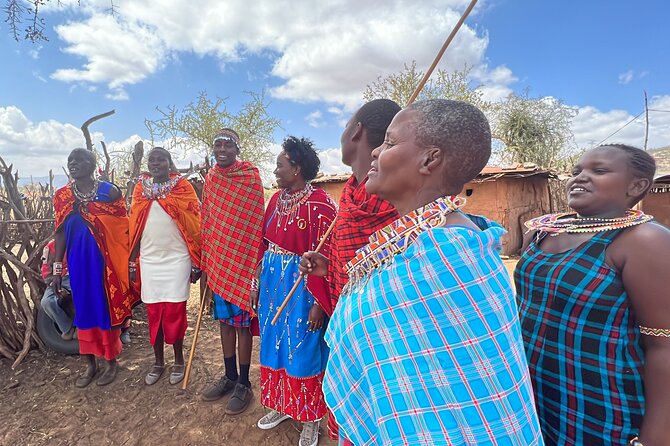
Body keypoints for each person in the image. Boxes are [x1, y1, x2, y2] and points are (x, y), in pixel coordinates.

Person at [301, 99, 543, 445]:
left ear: (430, 159)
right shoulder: (418, 241)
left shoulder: (447, 256)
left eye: (390, 142)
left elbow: (458, 398)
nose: (376, 153)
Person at [515, 144, 670, 446]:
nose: (580, 178)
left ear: (637, 185)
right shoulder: (545, 232)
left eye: (598, 171)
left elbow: (663, 345)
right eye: (576, 172)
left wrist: (658, 433)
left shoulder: (645, 241)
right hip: (534, 393)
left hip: (600, 404)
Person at [321, 98, 401, 442]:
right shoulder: (351, 194)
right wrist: (325, 266)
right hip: (347, 325)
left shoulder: (399, 198)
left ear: (356, 131)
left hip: (384, 338)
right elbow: (350, 267)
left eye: (345, 125)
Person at [252, 137, 336, 446]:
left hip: (303, 289)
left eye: (280, 165)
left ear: (297, 169)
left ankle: (311, 418)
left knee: (303, 350)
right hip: (274, 286)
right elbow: (265, 245)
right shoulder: (275, 200)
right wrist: (257, 281)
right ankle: (282, 406)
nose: (275, 171)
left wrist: (318, 305)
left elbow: (330, 256)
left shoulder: (321, 205)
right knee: (275, 345)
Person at [52, 148, 137, 388]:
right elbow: (60, 236)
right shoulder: (62, 197)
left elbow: (123, 228)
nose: (73, 164)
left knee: (105, 309)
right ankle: (90, 364)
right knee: (84, 310)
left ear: (92, 164)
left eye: (79, 160)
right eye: (70, 161)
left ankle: (111, 362)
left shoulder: (108, 192)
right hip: (78, 264)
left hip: (106, 263)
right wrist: (57, 270)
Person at [200, 128, 264, 415]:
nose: (222, 149)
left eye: (228, 145)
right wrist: (207, 261)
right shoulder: (212, 178)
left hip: (243, 263)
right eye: (218, 145)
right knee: (224, 324)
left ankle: (244, 382)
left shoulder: (250, 176)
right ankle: (228, 376)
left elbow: (255, 223)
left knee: (242, 326)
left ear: (238, 150)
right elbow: (209, 220)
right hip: (220, 262)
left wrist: (253, 266)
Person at [129, 147, 202, 386]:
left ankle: (179, 360)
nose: (156, 163)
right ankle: (158, 362)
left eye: (161, 159)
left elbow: (194, 224)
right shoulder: (141, 189)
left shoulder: (183, 188)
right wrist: (133, 260)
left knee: (174, 312)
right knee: (153, 312)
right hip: (149, 259)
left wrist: (195, 260)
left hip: (178, 258)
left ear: (170, 163)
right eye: (152, 160)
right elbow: (135, 225)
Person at [40, 239, 74, 340]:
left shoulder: (82, 241)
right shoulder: (51, 246)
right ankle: (67, 329)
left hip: (79, 278)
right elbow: (46, 272)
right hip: (58, 280)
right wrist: (57, 285)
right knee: (47, 302)